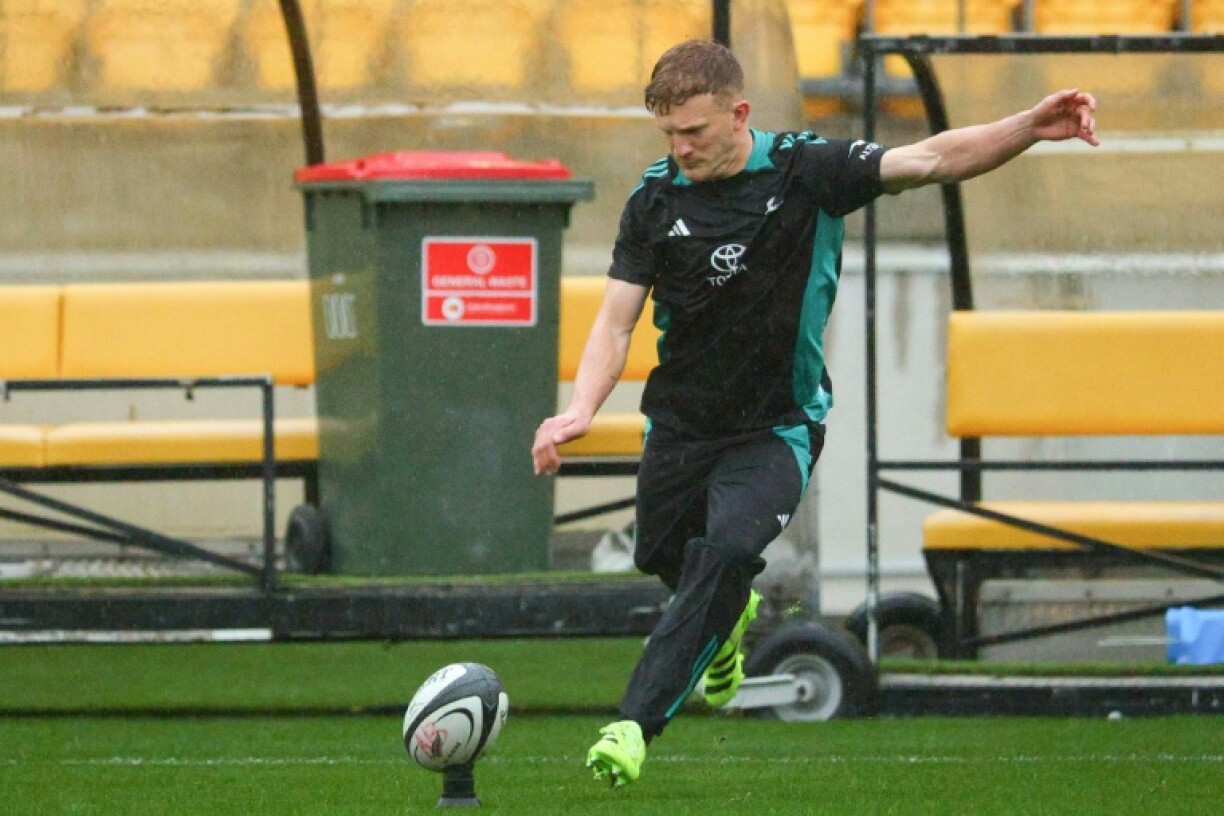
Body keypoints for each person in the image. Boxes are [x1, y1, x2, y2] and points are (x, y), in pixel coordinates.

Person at [531, 39, 1098, 787]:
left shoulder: (807, 171)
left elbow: (932, 159)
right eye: (667, 134)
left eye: (693, 132)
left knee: (726, 552)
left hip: (776, 428)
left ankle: (633, 724)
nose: (680, 148)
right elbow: (615, 323)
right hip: (680, 426)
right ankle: (727, 618)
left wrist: (1029, 125)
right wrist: (579, 409)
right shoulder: (655, 199)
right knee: (668, 558)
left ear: (739, 114)